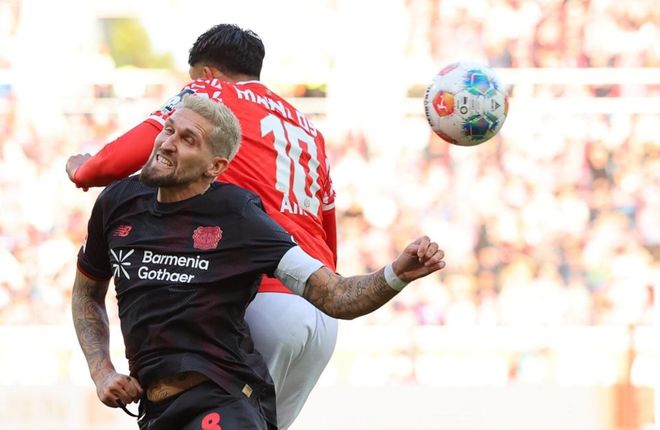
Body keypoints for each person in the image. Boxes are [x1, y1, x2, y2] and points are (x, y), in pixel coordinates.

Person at [72, 94, 446, 430]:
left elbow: (335, 296)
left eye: (188, 140)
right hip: (156, 413)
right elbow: (87, 293)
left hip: (222, 401)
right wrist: (102, 372)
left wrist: (396, 274)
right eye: (169, 129)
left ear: (214, 167)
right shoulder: (117, 202)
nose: (167, 143)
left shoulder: (238, 215)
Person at [66, 24, 339, 428]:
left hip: (262, 297)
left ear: (206, 74)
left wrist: (82, 169)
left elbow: (122, 156)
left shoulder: (210, 95)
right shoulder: (308, 127)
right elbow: (327, 225)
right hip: (319, 313)